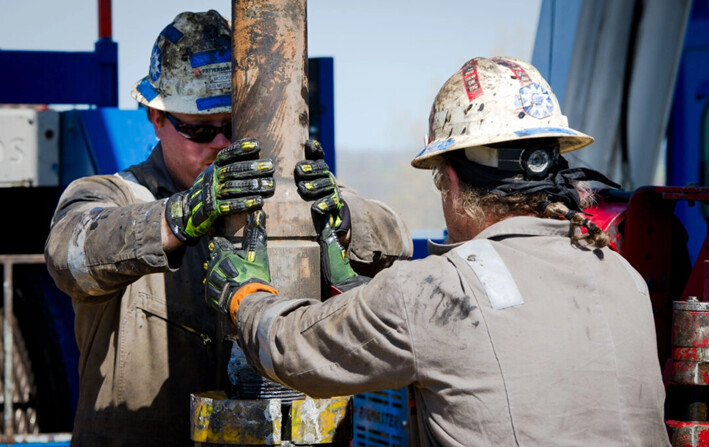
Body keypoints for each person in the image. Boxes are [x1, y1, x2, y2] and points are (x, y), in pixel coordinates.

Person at [204, 56, 671, 446]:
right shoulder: (620, 274)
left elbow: (291, 350)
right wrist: (364, 296)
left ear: (449, 181)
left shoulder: (434, 292)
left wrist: (244, 297)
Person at [44, 10, 412, 447]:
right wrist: (178, 216)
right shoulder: (117, 196)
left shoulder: (290, 197)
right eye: (200, 130)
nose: (221, 144)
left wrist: (346, 222)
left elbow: (396, 238)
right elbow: (69, 253)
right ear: (156, 118)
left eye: (232, 127)